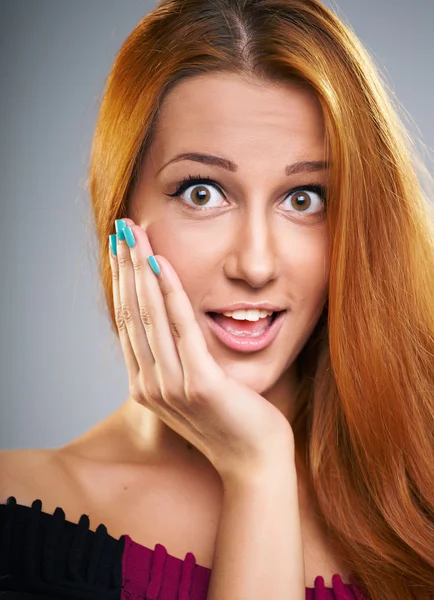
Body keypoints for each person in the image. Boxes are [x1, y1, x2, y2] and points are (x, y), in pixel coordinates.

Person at [1, 0, 433, 598]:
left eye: (304, 199)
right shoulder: (15, 514)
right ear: (121, 212)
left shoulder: (422, 498)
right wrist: (257, 467)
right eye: (203, 193)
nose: (255, 264)